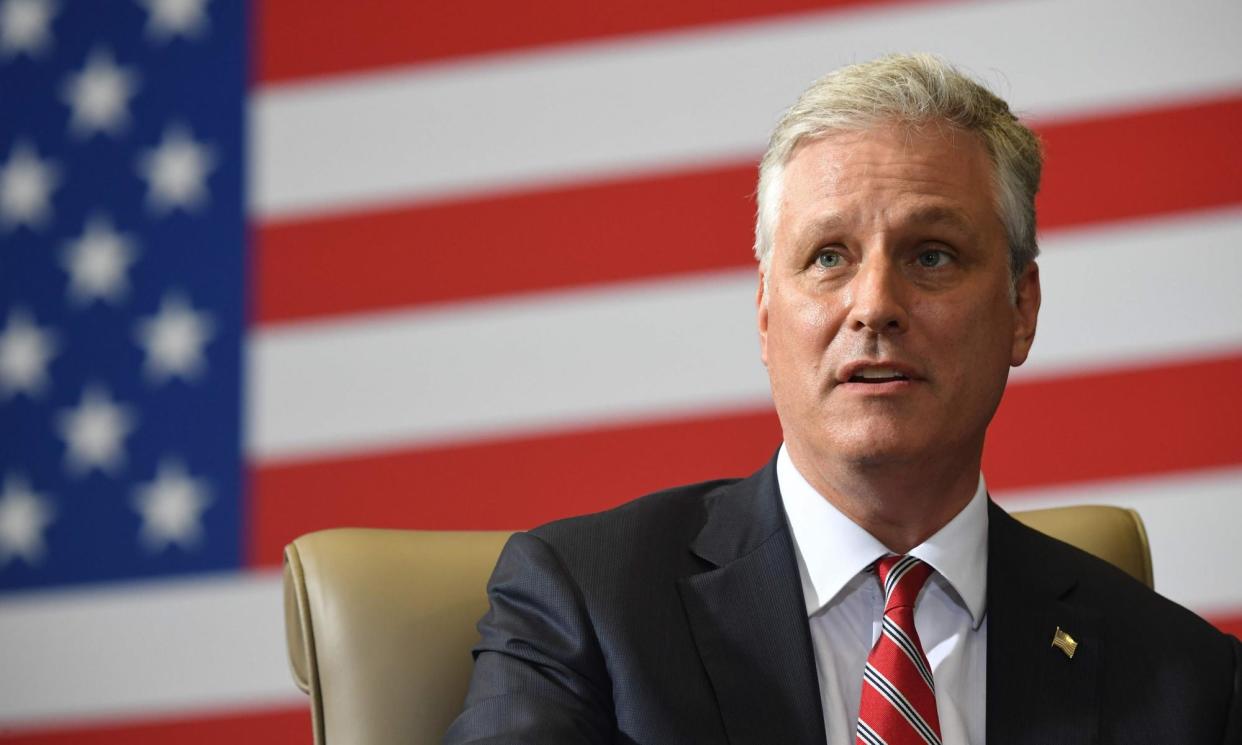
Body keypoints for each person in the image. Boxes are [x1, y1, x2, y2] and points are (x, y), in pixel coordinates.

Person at [444, 54, 1241, 745]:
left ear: (1020, 310)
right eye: (829, 257)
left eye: (932, 255)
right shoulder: (586, 606)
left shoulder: (1187, 682)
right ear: (765, 315)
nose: (874, 305)